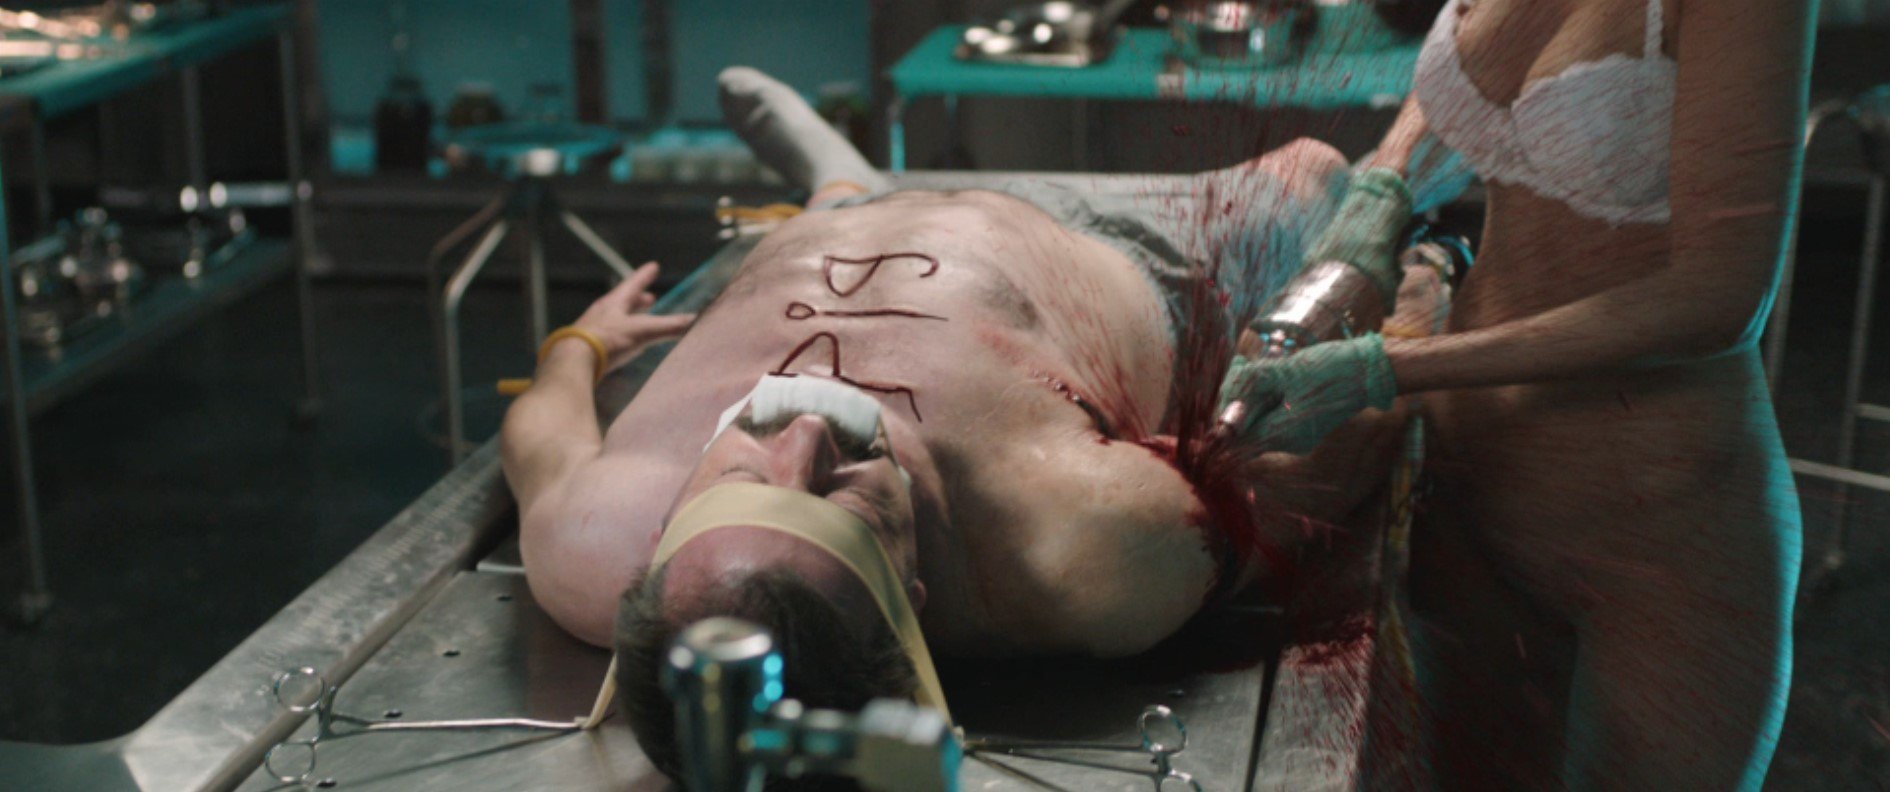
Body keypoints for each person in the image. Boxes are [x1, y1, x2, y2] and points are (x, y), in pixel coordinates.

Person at [500, 68, 1439, 778]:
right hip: (1125, 248)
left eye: (744, 473)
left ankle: (840, 182)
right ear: (911, 588)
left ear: (666, 533)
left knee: (834, 215)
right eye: (840, 497)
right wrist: (1400, 340)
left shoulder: (595, 543)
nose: (807, 434)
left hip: (826, 240)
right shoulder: (1080, 550)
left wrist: (580, 343)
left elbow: (537, 430)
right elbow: (1319, 467)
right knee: (1316, 173)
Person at [1215, 0, 1812, 787]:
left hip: (1654, 540)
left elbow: (1721, 298)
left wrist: (1394, 368)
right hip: (1466, 497)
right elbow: (1468, 73)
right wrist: (1384, 190)